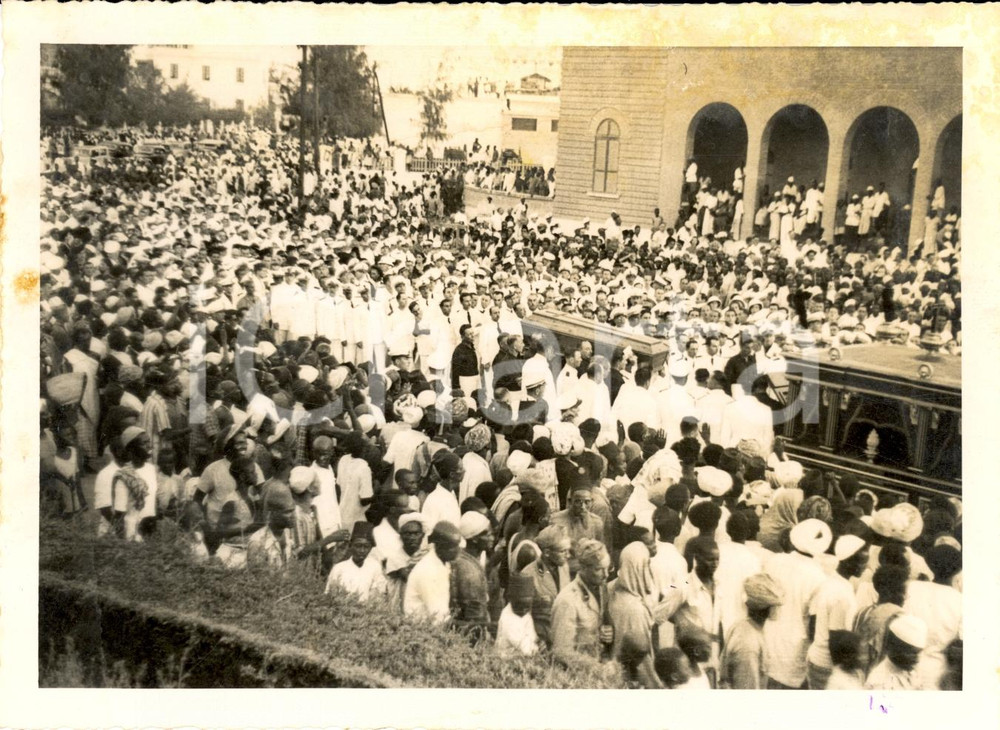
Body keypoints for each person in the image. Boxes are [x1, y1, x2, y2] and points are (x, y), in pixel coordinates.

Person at [763, 518, 831, 689]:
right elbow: (814, 627)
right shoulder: (820, 577)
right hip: (794, 650)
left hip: (767, 636)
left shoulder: (775, 561)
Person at [806, 534, 869, 689]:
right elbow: (836, 640)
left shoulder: (830, 582)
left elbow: (813, 624)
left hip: (817, 658)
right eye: (862, 561)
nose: (865, 566)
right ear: (848, 561)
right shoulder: (841, 594)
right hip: (827, 667)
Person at [902, 544, 962, 688]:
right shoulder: (960, 601)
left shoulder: (912, 587)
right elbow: (959, 645)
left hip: (906, 668)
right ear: (959, 569)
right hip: (939, 674)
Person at [551, 538, 613, 668]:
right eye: (599, 569)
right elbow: (561, 652)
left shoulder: (601, 590)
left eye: (608, 568)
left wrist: (606, 634)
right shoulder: (567, 601)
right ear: (584, 568)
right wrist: (597, 667)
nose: (606, 574)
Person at [719, 572, 784, 689]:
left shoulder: (743, 626)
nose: (779, 609)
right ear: (765, 607)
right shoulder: (749, 644)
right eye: (776, 605)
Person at [608, 542, 660, 688]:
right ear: (639, 567)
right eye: (646, 564)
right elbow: (641, 653)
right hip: (630, 676)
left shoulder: (611, 588)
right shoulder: (636, 609)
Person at [403, 520, 462, 625]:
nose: (458, 550)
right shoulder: (428, 571)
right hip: (421, 631)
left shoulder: (444, 562)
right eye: (453, 547)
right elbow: (439, 619)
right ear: (439, 546)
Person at [523, 524, 572, 648]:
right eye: (563, 551)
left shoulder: (563, 567)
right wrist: (535, 640)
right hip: (541, 642)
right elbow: (522, 616)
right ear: (547, 552)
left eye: (568, 550)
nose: (568, 555)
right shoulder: (528, 575)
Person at [451, 511, 495, 639]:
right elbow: (475, 620)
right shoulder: (470, 572)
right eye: (488, 534)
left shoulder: (465, 558)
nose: (492, 538)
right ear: (475, 538)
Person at [325, 521, 388, 601]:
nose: (362, 550)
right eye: (358, 546)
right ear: (351, 545)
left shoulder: (374, 567)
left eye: (366, 547)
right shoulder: (339, 568)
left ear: (370, 548)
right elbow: (329, 596)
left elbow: (379, 595)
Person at [864, 614, 928, 690]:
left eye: (919, 652)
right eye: (912, 653)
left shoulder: (911, 671)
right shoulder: (879, 683)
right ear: (894, 647)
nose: (917, 659)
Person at [495, 571, 539, 657]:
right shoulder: (508, 619)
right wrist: (538, 646)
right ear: (510, 598)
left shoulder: (524, 614)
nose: (524, 609)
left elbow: (533, 637)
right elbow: (527, 651)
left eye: (527, 605)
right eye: (520, 604)